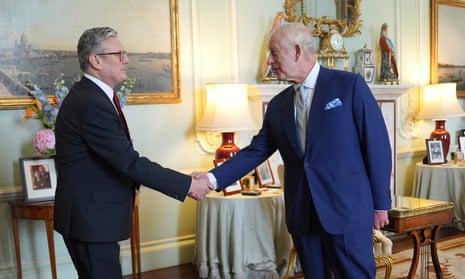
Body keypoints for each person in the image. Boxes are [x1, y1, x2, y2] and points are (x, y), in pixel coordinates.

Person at [197, 22, 392, 278]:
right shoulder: (278, 105)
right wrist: (212, 179)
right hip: (303, 214)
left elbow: (377, 146)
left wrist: (380, 204)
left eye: (274, 53)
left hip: (347, 211)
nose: (269, 61)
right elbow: (257, 150)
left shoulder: (349, 86)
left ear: (297, 51)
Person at [53, 27, 212, 279]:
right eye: (120, 54)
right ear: (96, 60)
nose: (127, 59)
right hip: (90, 221)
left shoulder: (92, 96)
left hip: (92, 219)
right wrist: (187, 184)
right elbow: (128, 162)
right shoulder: (91, 103)